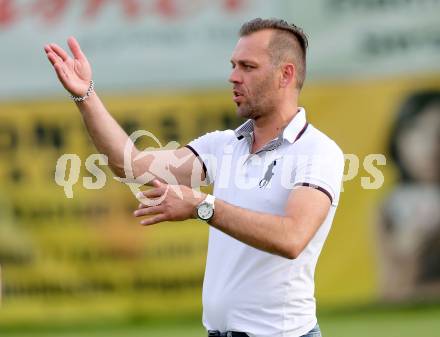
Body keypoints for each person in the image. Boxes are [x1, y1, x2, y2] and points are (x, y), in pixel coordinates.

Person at [44, 18, 344, 337]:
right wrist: (86, 96)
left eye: (248, 67)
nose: (233, 77)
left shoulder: (318, 151)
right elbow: (129, 165)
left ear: (285, 74)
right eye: (233, 65)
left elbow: (292, 238)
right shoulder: (224, 145)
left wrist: (203, 205)